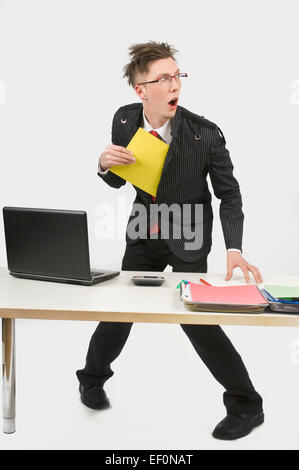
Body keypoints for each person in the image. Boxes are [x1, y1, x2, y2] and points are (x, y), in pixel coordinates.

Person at [76, 41, 264, 440]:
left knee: (195, 319)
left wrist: (234, 248)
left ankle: (247, 404)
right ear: (141, 90)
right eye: (163, 78)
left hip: (189, 232)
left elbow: (228, 193)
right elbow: (119, 176)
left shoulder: (205, 134)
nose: (174, 83)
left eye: (177, 75)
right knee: (121, 309)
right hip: (144, 228)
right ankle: (91, 379)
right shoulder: (125, 121)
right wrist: (103, 165)